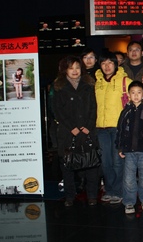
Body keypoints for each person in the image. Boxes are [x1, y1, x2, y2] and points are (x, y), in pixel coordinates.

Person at [52, 56, 98, 206]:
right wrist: (72, 128)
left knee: (91, 165)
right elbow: (57, 110)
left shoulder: (89, 84)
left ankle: (92, 196)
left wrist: (88, 126)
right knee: (67, 166)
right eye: (71, 68)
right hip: (67, 132)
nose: (74, 71)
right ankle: (70, 196)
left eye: (77, 67)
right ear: (65, 70)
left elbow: (94, 107)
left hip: (86, 131)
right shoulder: (59, 87)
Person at [95, 50, 132, 205]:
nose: (107, 66)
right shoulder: (97, 83)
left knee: (118, 161)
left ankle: (118, 191)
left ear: (116, 64)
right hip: (101, 128)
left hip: (118, 128)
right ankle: (109, 190)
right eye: (103, 63)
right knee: (105, 162)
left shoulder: (126, 81)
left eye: (110, 62)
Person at [116, 81, 143, 214]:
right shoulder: (126, 111)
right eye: (133, 93)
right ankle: (129, 202)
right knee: (128, 178)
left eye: (139, 92)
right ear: (129, 95)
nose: (136, 95)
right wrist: (120, 147)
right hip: (129, 150)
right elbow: (120, 130)